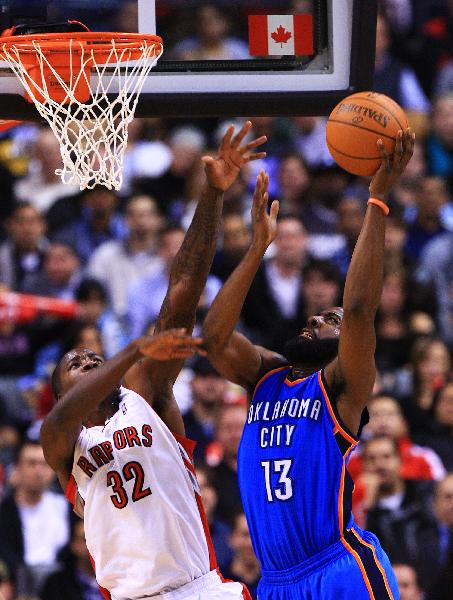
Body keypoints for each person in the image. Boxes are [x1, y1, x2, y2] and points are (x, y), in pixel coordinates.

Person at [40, 121, 266, 600]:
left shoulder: (142, 395)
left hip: (200, 588)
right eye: (76, 362)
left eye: (93, 355)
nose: (88, 357)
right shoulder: (65, 442)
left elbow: (181, 299)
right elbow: (59, 420)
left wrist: (211, 194)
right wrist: (130, 351)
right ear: (62, 390)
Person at [202, 130, 415, 599]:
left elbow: (359, 308)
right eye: (317, 315)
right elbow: (214, 339)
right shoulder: (267, 376)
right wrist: (259, 248)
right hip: (276, 581)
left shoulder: (342, 385)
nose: (317, 318)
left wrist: (377, 200)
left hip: (339, 570)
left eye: (329, 320)